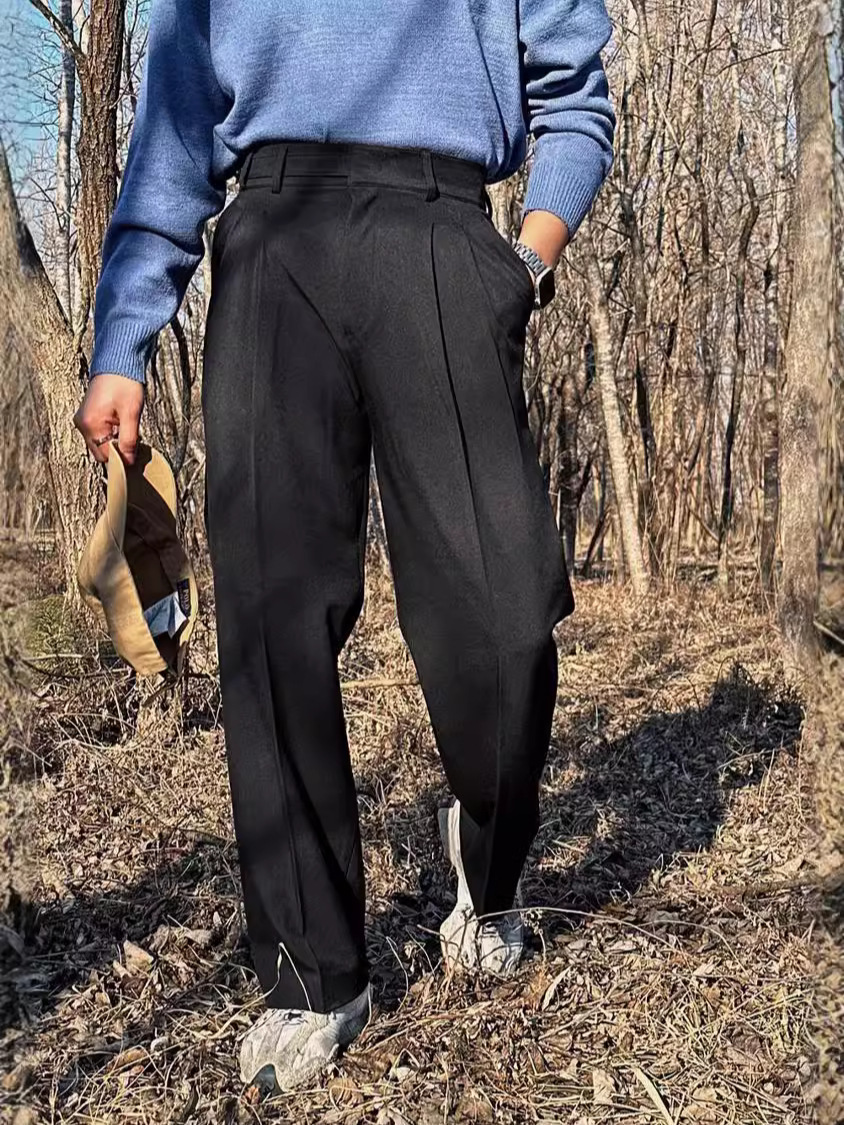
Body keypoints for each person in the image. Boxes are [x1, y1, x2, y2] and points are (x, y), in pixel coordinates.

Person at [73, 0, 615, 1094]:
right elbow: (175, 130)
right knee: (273, 621)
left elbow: (576, 98)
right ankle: (312, 974)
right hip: (273, 241)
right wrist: (125, 338)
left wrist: (523, 262)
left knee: (506, 617)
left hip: (444, 234)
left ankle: (488, 861)